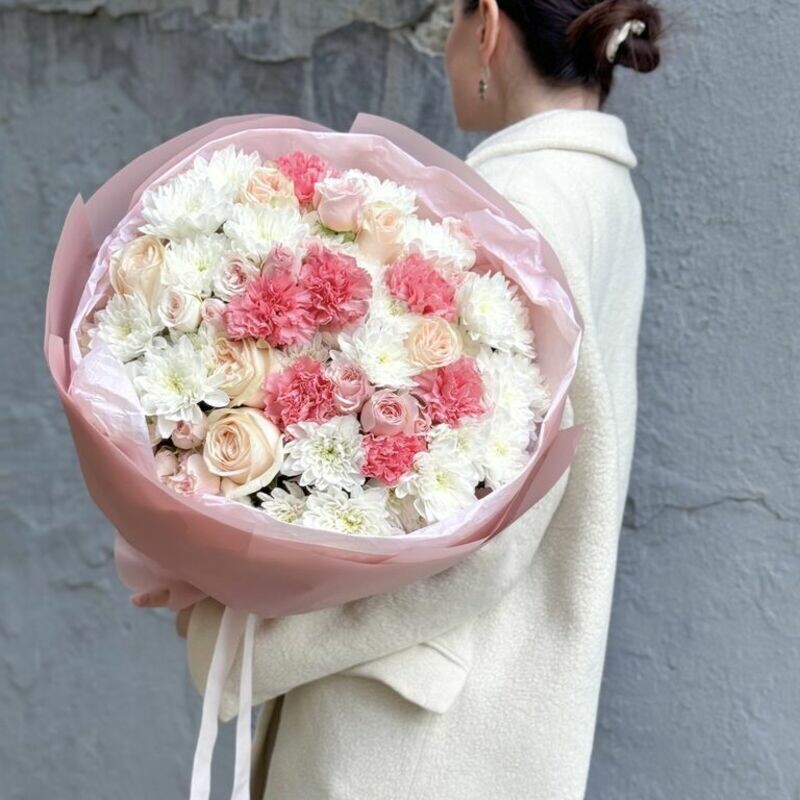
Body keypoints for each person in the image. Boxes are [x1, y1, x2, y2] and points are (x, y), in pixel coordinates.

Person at [136, 0, 662, 796]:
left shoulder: (517, 204)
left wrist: (251, 631)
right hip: (492, 696)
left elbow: (489, 531)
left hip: (405, 717)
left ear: (487, 25)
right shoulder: (599, 189)